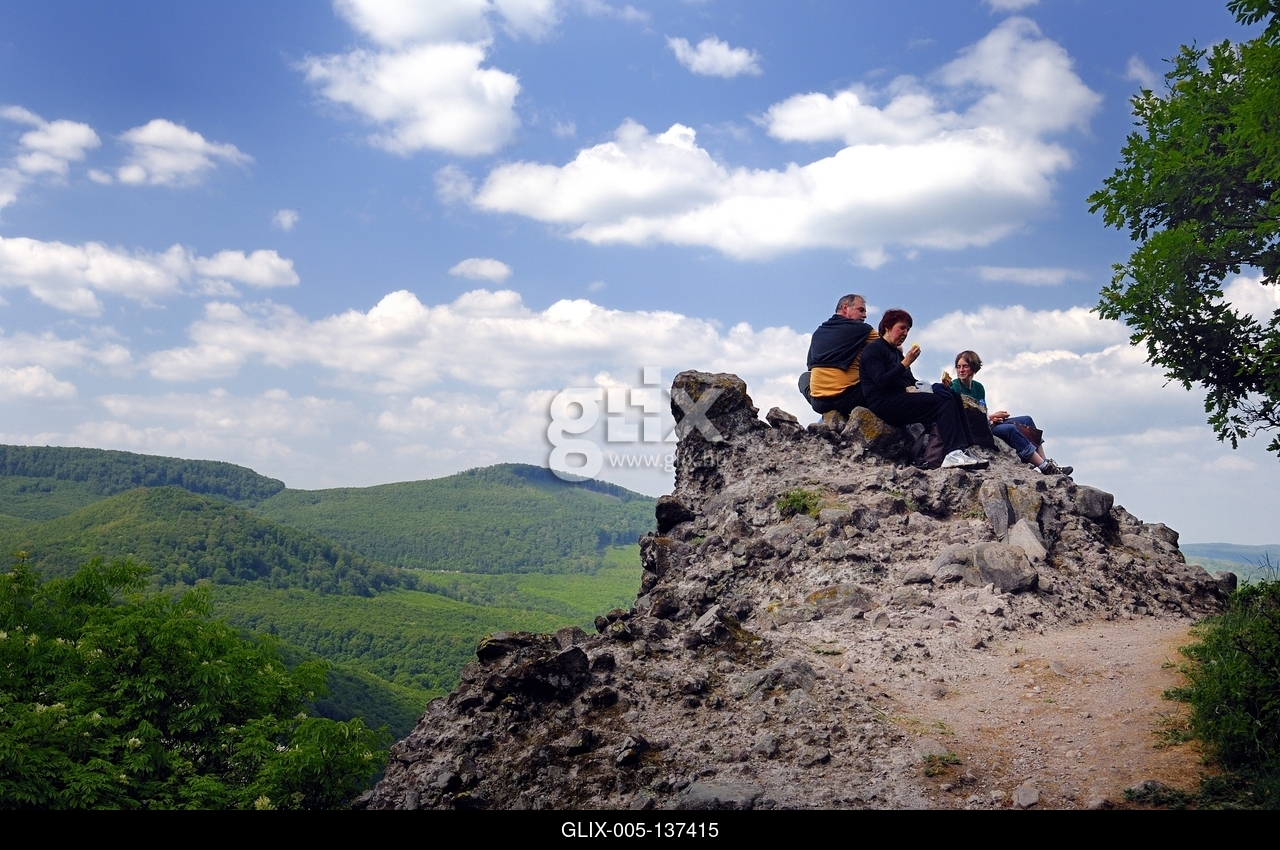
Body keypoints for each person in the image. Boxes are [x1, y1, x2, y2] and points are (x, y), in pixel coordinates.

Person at [859, 309, 986, 469]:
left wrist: (938, 386)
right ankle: (952, 452)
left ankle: (963, 448)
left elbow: (911, 381)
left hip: (900, 398)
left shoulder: (896, 354)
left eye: (908, 330)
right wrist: (906, 363)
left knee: (952, 395)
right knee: (942, 403)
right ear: (887, 327)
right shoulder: (874, 349)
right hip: (883, 402)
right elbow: (881, 382)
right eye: (902, 328)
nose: (905, 333)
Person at [944, 350, 1073, 476]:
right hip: (975, 430)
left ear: (973, 367)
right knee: (1011, 429)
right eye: (958, 367)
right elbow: (965, 417)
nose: (961, 370)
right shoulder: (955, 387)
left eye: (965, 366)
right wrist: (992, 417)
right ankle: (1043, 466)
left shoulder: (979, 387)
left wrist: (990, 419)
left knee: (1027, 420)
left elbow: (982, 411)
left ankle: (1046, 461)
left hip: (986, 423)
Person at [800, 294, 877, 416]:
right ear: (845, 308)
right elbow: (890, 345)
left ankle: (830, 412)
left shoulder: (818, 332)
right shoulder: (862, 329)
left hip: (819, 403)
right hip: (848, 399)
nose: (865, 315)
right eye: (861, 310)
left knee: (804, 378)